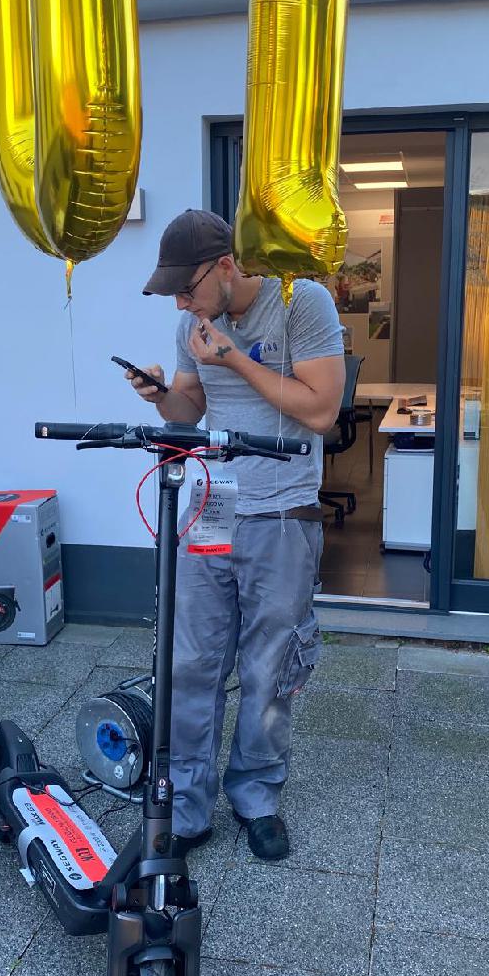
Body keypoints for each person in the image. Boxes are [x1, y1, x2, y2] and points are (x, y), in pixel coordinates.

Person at [128, 208, 345, 862]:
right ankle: (187, 805)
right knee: (191, 661)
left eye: (186, 288)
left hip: (283, 512)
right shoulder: (191, 322)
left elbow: (322, 411)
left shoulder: (301, 301)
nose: (180, 303)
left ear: (225, 266)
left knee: (269, 666)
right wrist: (159, 395)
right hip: (211, 506)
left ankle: (256, 796)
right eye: (172, 293)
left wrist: (233, 358)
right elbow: (190, 411)